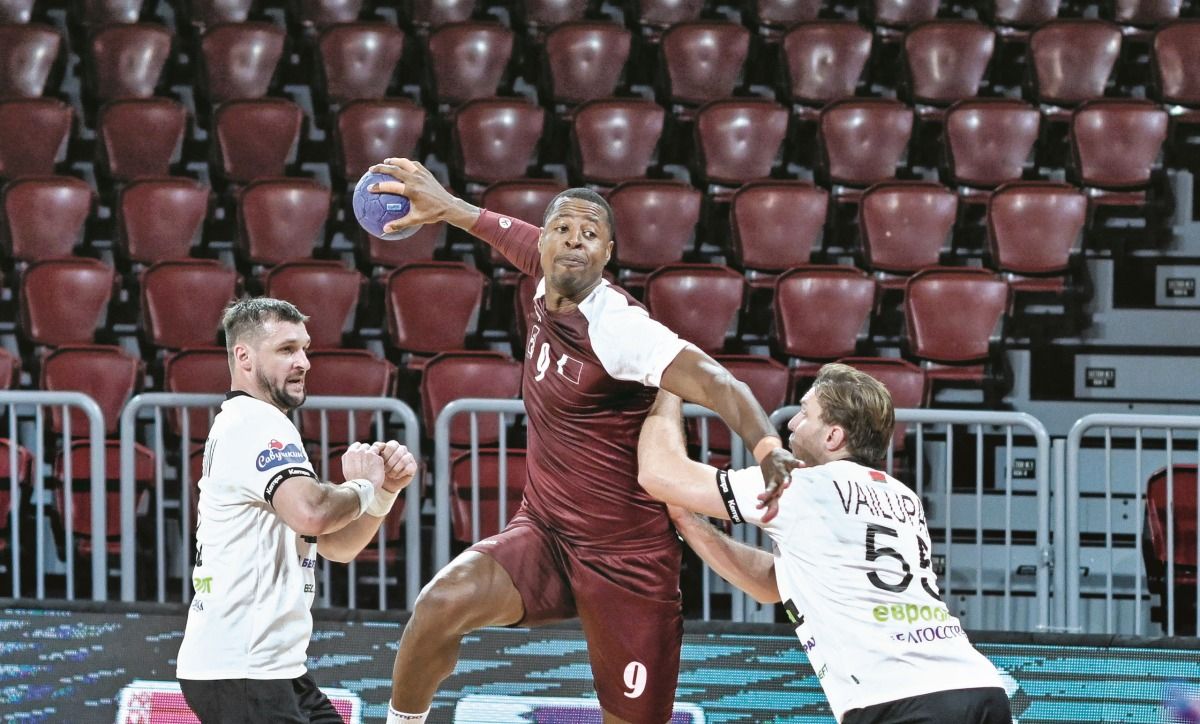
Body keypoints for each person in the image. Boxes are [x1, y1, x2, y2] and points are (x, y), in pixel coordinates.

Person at [368, 158, 799, 724]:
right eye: (563, 229)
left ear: (607, 254)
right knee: (439, 604)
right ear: (543, 242)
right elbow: (499, 229)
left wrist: (768, 448)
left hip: (629, 561)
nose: (575, 241)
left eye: (590, 234)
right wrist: (445, 206)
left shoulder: (618, 328)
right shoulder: (544, 275)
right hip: (546, 533)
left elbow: (719, 382)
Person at [636, 362, 1013, 724]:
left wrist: (670, 381)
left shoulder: (803, 486)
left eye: (804, 414)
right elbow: (773, 585)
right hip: (979, 687)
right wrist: (689, 522)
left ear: (833, 436)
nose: (791, 424)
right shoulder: (901, 495)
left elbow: (659, 473)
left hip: (898, 699)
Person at [176, 297, 419, 723]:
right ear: (244, 357)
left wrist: (383, 493)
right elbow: (314, 513)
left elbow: (336, 545)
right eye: (286, 349)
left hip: (275, 668)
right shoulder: (255, 423)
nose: (303, 362)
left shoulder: (259, 422)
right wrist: (363, 484)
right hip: (242, 669)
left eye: (304, 348)